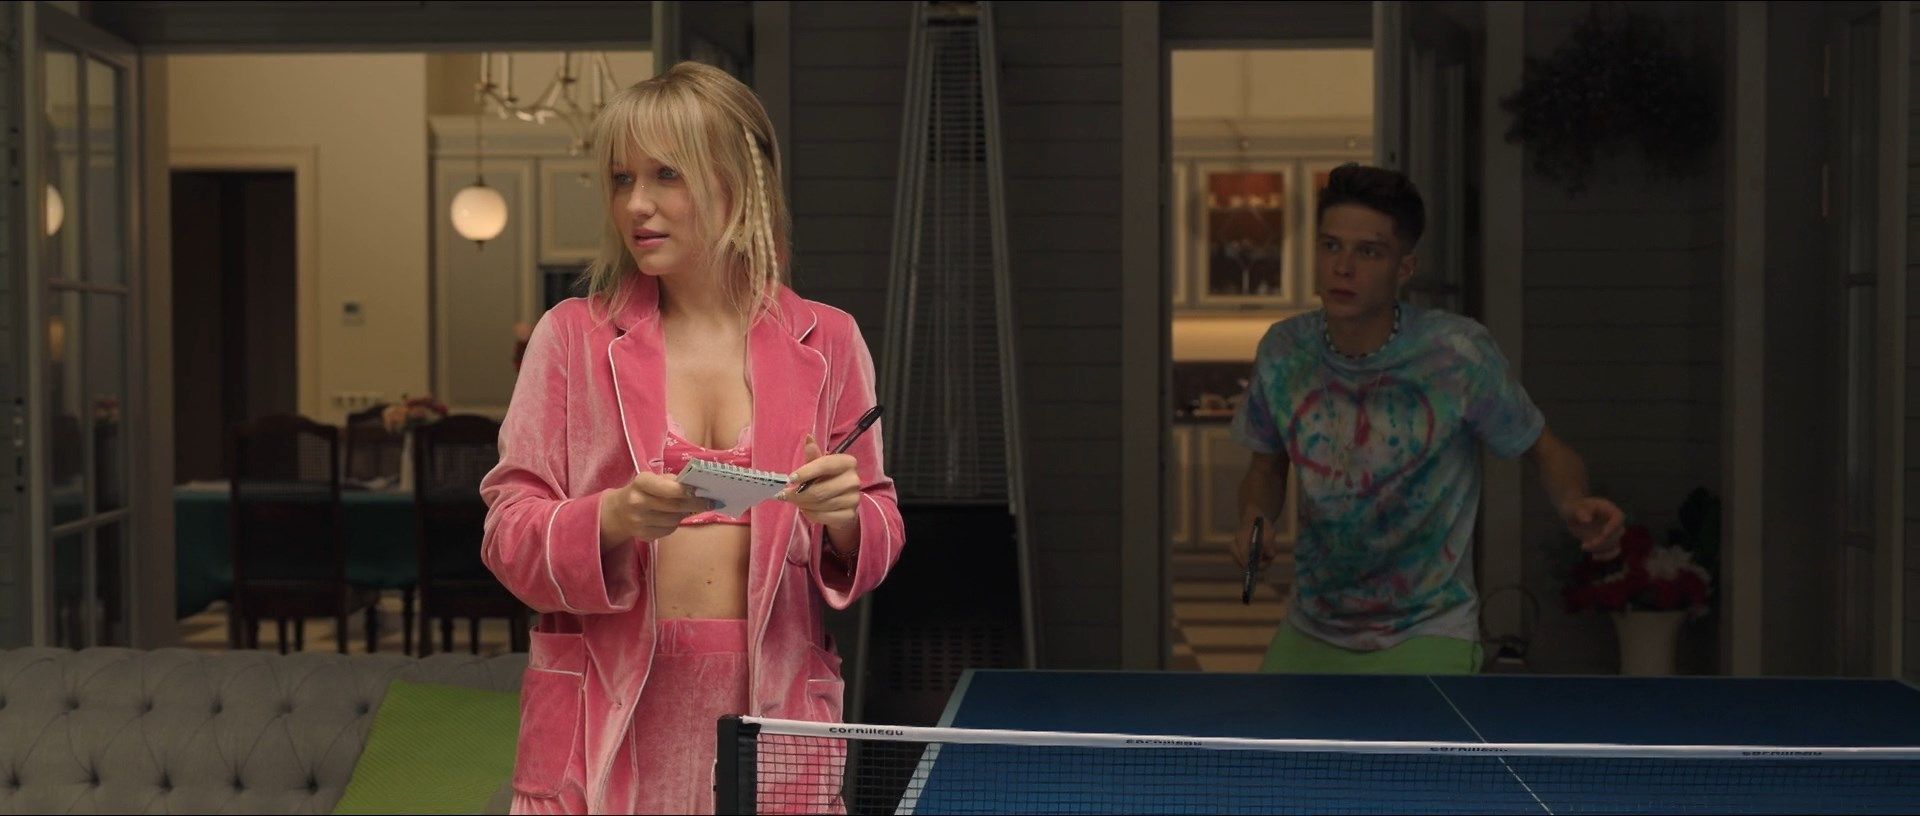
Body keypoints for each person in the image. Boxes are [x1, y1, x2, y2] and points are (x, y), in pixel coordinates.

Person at [480, 61, 904, 814]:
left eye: (665, 175)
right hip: (602, 719)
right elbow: (506, 535)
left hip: (771, 714)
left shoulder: (829, 340)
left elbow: (878, 530)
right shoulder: (570, 338)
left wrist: (844, 515)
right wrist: (611, 517)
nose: (636, 204)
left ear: (740, 182)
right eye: (621, 179)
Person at [1230, 163, 1623, 675]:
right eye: (1331, 246)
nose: (1343, 267)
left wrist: (1574, 502)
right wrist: (1255, 519)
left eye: (1369, 251)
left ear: (1405, 268)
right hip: (1312, 625)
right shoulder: (1284, 351)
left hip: (1427, 630)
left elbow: (1544, 449)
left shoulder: (1455, 353)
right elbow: (1265, 467)